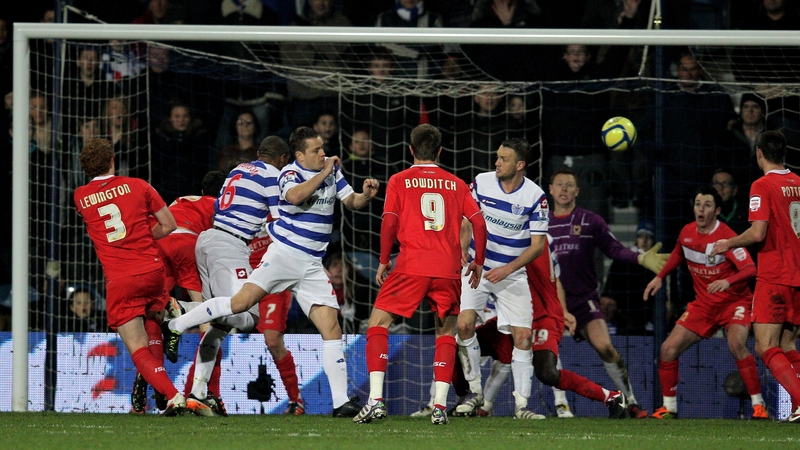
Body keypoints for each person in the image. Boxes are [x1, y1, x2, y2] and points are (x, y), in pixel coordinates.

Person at [163, 126, 378, 417]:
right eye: (315, 150)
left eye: (322, 148)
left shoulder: (331, 172)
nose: (322, 154)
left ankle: (340, 402)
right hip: (284, 255)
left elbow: (350, 200)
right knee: (240, 307)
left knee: (331, 327)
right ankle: (177, 322)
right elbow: (294, 196)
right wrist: (324, 171)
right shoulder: (287, 173)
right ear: (298, 155)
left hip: (313, 263)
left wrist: (364, 195)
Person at [352, 123, 487, 425]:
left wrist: (385, 259)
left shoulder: (399, 180)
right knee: (446, 332)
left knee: (377, 324)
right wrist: (478, 261)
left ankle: (375, 400)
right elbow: (478, 223)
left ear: (411, 150)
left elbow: (388, 222)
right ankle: (440, 406)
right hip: (447, 269)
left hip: (411, 265)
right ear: (440, 151)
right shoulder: (457, 183)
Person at [73, 137, 185, 416]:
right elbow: (169, 224)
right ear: (113, 160)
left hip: (121, 278)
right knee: (152, 322)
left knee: (137, 347)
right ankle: (160, 390)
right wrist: (145, 236)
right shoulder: (139, 185)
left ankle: (172, 395)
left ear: (86, 168)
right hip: (153, 271)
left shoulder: (80, 196)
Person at [548, 168, 667, 419]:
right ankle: (561, 405)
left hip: (584, 300)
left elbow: (615, 250)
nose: (564, 190)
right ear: (550, 190)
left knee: (606, 348)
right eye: (559, 185)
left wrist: (641, 257)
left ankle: (630, 401)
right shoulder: (540, 224)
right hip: (552, 300)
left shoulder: (590, 221)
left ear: (578, 191)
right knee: (549, 352)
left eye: (569, 185)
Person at [644, 186, 766, 419]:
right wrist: (659, 277)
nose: (701, 209)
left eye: (707, 205)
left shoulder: (727, 237)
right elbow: (679, 253)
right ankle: (669, 408)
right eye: (698, 204)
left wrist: (727, 282)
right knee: (667, 349)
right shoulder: (687, 233)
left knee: (736, 345)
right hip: (704, 304)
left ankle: (758, 406)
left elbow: (750, 268)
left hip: (734, 302)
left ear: (717, 210)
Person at [453, 138, 547, 420]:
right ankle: (474, 394)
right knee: (464, 324)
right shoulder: (481, 182)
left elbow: (538, 245)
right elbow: (467, 221)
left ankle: (522, 407)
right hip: (478, 268)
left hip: (511, 274)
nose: (496, 162)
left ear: (520, 165)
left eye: (504, 159)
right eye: (497, 157)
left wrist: (507, 270)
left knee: (523, 337)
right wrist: (463, 251)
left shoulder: (535, 196)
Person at [711, 130, 800, 422]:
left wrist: (728, 243)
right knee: (787, 345)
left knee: (764, 346)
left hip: (775, 275)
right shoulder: (798, 183)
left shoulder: (762, 185)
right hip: (798, 275)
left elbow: (758, 232)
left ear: (759, 153)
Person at [131, 170, 225, 415]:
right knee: (209, 319)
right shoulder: (219, 204)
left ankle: (157, 385)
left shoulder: (184, 199)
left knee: (154, 312)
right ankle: (205, 393)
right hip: (187, 245)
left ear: (203, 190)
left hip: (158, 244)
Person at [527, 234, 628, 419]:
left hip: (539, 313)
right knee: (470, 336)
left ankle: (610, 398)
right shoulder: (492, 230)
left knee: (547, 373)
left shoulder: (545, 239)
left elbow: (554, 278)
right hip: (502, 312)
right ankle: (477, 401)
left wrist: (563, 310)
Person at [600, 218, 656, 335]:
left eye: (648, 237)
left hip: (645, 310)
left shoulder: (656, 263)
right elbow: (610, 285)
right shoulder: (623, 259)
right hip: (623, 309)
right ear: (637, 238)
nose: (644, 240)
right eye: (641, 236)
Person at [711, 169, 749, 235]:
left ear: (735, 190)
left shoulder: (746, 213)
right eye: (716, 183)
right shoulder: (705, 213)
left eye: (725, 184)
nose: (720, 188)